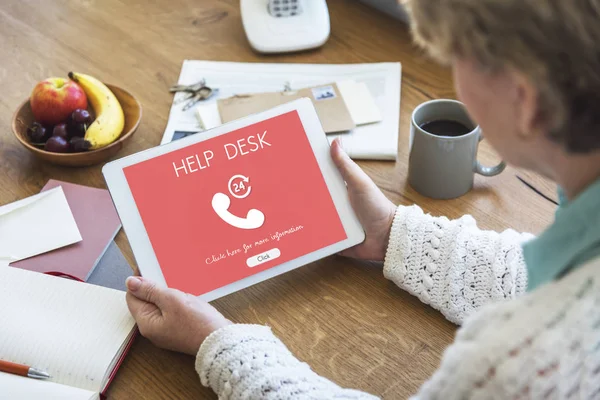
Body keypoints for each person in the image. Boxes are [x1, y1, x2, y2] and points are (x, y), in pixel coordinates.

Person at [124, 0, 600, 397]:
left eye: (457, 58)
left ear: (525, 101)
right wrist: (394, 235)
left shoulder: (519, 364)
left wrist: (216, 344)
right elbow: (556, 280)